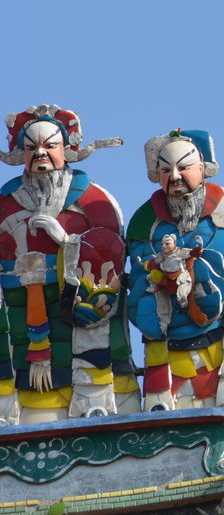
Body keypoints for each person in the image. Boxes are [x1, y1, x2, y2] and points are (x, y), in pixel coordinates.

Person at [0, 105, 137, 424]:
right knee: (19, 363)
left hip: (78, 298)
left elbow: (110, 253)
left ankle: (98, 402)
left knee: (90, 354)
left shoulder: (92, 199)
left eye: (50, 145)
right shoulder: (6, 202)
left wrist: (67, 241)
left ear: (67, 149)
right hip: (19, 305)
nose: (41, 153)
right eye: (32, 147)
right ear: (21, 153)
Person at [126, 130, 224, 410]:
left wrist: (188, 268)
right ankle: (160, 392)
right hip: (165, 297)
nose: (175, 176)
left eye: (183, 167)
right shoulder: (145, 219)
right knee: (146, 301)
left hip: (211, 292)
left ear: (202, 169)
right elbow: (139, 258)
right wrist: (160, 269)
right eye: (166, 169)